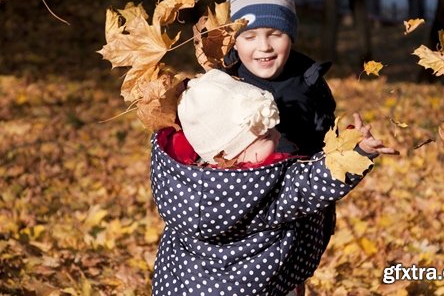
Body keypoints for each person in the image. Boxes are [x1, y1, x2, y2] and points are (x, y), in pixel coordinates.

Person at [149, 69, 398, 296]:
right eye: (267, 134)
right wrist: (356, 151)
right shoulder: (262, 186)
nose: (278, 135)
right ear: (230, 153)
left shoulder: (183, 180)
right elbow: (313, 182)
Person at [223, 0, 338, 269]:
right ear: (234, 40)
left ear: (291, 34)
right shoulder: (222, 85)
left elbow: (325, 146)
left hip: (299, 224)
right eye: (249, 35)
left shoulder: (311, 82)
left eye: (275, 33)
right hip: (240, 234)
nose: (264, 46)